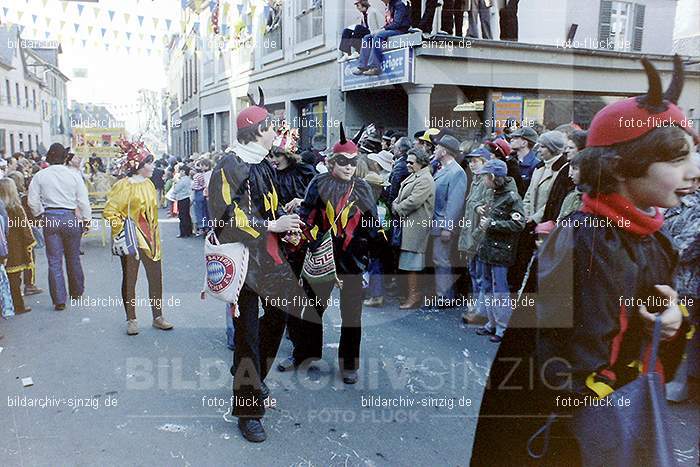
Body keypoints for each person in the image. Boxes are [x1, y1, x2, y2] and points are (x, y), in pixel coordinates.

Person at [471, 56, 698, 465]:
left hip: (617, 425)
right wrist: (594, 398)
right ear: (621, 166)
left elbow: (649, 331)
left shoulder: (655, 241)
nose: (695, 172)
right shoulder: (582, 238)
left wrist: (672, 323)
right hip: (569, 436)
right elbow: (556, 358)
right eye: (677, 160)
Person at [207, 88, 303, 443]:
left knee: (280, 317)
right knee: (246, 335)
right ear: (255, 131)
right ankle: (248, 412)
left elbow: (266, 207)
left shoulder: (262, 162)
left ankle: (251, 376)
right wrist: (270, 226)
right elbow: (223, 218)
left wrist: (284, 215)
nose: (275, 131)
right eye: (269, 127)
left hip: (269, 257)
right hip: (242, 259)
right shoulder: (230, 163)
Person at [296, 123, 380, 385]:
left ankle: (349, 365)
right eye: (343, 162)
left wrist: (365, 258)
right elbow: (306, 216)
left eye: (353, 163)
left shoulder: (363, 188)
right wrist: (306, 242)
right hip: (320, 256)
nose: (348, 167)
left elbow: (372, 226)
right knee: (312, 309)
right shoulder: (318, 183)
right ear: (332, 162)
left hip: (351, 260)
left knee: (352, 315)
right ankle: (307, 356)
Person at [103, 141, 174, 336]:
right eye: (148, 163)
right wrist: (126, 229)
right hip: (133, 241)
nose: (152, 167)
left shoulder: (149, 184)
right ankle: (131, 319)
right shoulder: (123, 186)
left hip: (152, 239)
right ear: (137, 165)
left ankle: (158, 316)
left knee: (155, 278)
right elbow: (110, 211)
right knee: (130, 280)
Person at [27, 143, 91, 311]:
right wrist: (86, 220)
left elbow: (32, 201)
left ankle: (59, 299)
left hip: (50, 217)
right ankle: (76, 291)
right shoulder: (74, 176)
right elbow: (83, 200)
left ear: (48, 157)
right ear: (65, 157)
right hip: (69, 216)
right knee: (74, 257)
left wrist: (40, 215)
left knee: (54, 260)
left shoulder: (40, 176)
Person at [472, 159, 525, 342]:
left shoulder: (511, 197)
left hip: (501, 250)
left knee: (499, 289)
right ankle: (491, 323)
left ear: (493, 177)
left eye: (485, 177)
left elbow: (519, 223)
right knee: (487, 286)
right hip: (488, 247)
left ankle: (502, 329)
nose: (483, 181)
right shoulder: (494, 193)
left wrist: (493, 223)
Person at [392, 147, 435, 309]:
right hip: (409, 225)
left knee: (413, 264)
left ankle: (414, 295)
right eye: (407, 161)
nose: (407, 164)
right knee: (409, 263)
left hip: (416, 227)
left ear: (421, 163)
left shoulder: (424, 179)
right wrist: (397, 204)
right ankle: (412, 294)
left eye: (411, 162)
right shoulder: (416, 176)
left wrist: (397, 207)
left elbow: (414, 201)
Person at [430, 134, 468, 307]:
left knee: (442, 260)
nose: (435, 150)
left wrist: (448, 227)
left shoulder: (457, 172)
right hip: (436, 223)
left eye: (437, 147)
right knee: (439, 259)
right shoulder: (441, 168)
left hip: (443, 224)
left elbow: (455, 202)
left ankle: (444, 297)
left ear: (444, 151)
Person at [457, 147, 492, 324]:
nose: (471, 164)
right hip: (470, 232)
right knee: (473, 271)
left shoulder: (486, 182)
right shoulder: (475, 181)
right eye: (470, 161)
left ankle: (480, 310)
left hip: (479, 234)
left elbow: (486, 208)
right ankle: (476, 307)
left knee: (479, 273)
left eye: (476, 161)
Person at [0, 179, 36, 314]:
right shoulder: (16, 208)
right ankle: (18, 305)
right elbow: (25, 229)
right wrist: (30, 243)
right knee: (15, 280)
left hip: (2, 248)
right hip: (16, 249)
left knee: (4, 280)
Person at [6, 171, 42, 296]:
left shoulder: (4, 203)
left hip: (8, 237)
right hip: (22, 235)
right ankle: (29, 285)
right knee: (29, 261)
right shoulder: (20, 202)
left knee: (11, 265)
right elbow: (26, 220)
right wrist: (31, 239)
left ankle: (12, 289)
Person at [352, 0, 410, 76]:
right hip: (392, 29)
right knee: (367, 37)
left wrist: (383, 29)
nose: (382, 1)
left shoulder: (399, 5)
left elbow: (397, 23)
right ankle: (362, 66)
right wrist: (383, 28)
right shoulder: (389, 5)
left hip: (400, 30)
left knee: (378, 36)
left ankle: (375, 67)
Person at [363, 171, 392, 307]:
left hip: (372, 240)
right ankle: (374, 293)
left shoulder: (368, 203)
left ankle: (376, 295)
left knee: (373, 267)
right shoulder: (381, 204)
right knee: (375, 267)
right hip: (379, 240)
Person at [508, 126, 540, 190]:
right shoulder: (509, 161)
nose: (511, 140)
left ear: (524, 143)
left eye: (516, 138)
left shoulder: (536, 165)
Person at [170, 165, 193, 238]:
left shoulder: (182, 180)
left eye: (181, 171)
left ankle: (183, 233)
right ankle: (189, 231)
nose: (180, 172)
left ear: (183, 171)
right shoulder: (188, 179)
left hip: (182, 198)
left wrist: (175, 183)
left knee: (182, 216)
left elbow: (176, 189)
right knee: (187, 215)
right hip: (187, 198)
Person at [192, 158, 212, 236]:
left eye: (202, 165)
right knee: (206, 212)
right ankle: (208, 227)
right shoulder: (208, 174)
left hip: (204, 194)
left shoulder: (204, 175)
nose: (201, 167)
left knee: (202, 211)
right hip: (206, 194)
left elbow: (206, 185)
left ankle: (204, 227)